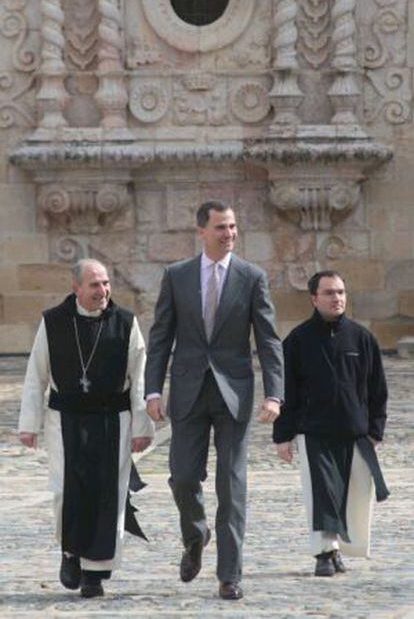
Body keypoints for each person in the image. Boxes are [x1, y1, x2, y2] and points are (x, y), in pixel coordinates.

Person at [145, 200, 284, 600]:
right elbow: (160, 338)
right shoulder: (177, 276)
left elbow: (269, 340)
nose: (229, 234)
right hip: (188, 391)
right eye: (221, 227)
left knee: (232, 484)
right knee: (183, 477)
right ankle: (196, 533)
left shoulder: (251, 277)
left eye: (233, 227)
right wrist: (153, 390)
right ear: (202, 231)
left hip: (234, 394)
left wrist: (275, 394)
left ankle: (230, 574)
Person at [18, 258, 155, 598]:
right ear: (76, 287)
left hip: (113, 420)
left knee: (107, 494)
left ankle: (94, 572)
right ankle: (70, 553)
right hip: (65, 420)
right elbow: (37, 374)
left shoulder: (125, 323)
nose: (103, 291)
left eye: (106, 283)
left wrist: (143, 426)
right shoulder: (53, 322)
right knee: (66, 491)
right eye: (94, 285)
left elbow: (139, 377)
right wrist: (29, 423)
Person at [274, 270, 389, 577]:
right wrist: (283, 436)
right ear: (314, 299)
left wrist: (376, 429)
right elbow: (287, 391)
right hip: (314, 431)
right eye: (328, 293)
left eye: (340, 292)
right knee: (321, 494)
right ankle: (323, 553)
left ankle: (336, 549)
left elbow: (377, 388)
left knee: (351, 496)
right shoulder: (297, 341)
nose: (336, 298)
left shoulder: (363, 338)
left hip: (356, 432)